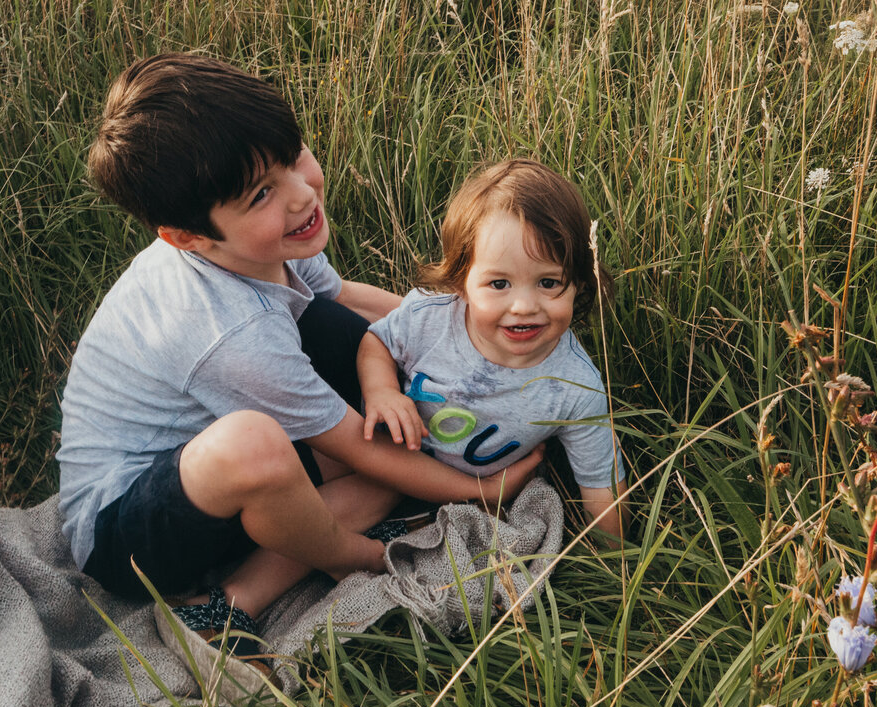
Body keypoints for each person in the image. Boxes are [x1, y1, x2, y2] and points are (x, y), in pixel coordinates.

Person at [57, 54, 542, 657]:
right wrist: (478, 491)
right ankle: (364, 558)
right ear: (188, 237)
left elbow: (352, 302)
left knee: (392, 430)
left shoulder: (268, 242)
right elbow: (351, 445)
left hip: (220, 467)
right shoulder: (227, 333)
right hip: (129, 532)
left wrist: (465, 339)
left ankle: (240, 591)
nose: (300, 193)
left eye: (294, 158)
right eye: (262, 193)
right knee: (294, 445)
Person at [358, 159, 627, 538]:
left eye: (548, 282)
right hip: (395, 463)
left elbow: (602, 488)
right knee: (335, 511)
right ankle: (245, 595)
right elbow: (376, 341)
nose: (524, 306)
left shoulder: (574, 386)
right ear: (461, 282)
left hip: (483, 499)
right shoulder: (430, 319)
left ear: (580, 283)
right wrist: (381, 391)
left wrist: (615, 567)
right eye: (499, 284)